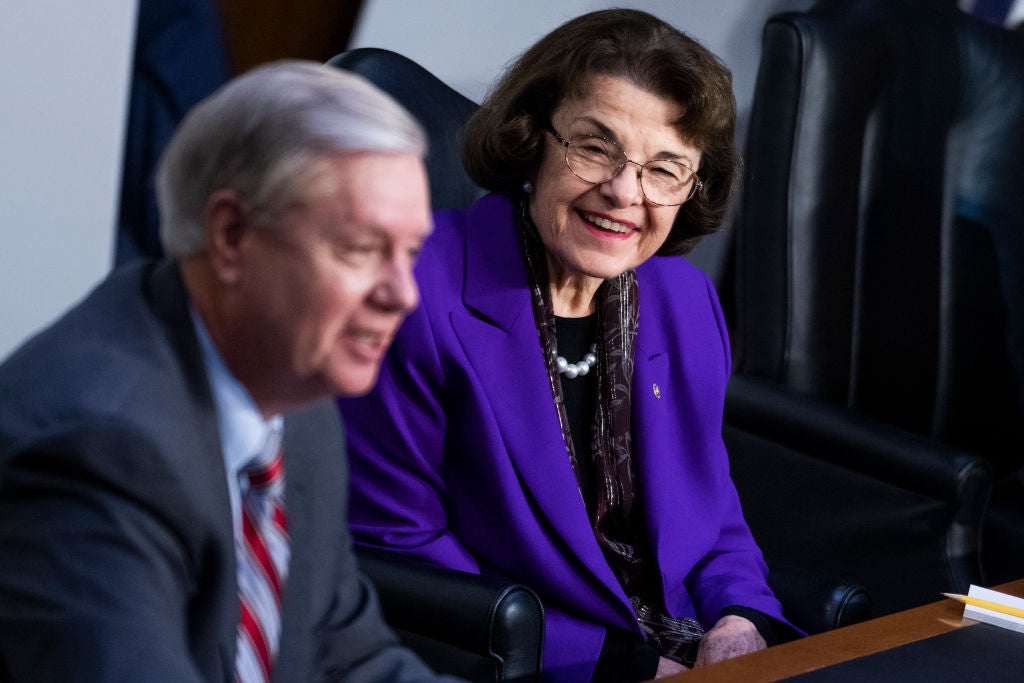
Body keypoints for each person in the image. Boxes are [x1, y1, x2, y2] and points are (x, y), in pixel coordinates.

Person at [337, 9, 800, 682]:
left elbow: (712, 516)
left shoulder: (685, 302)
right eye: (595, 147)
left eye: (665, 168)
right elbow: (399, 549)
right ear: (532, 139)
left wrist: (739, 617)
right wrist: (623, 663)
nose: (623, 191)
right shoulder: (410, 291)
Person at [0, 61, 457, 682]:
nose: (404, 293)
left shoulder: (299, 401)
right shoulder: (98, 443)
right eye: (360, 249)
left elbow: (349, 657)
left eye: (410, 252)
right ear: (231, 234)